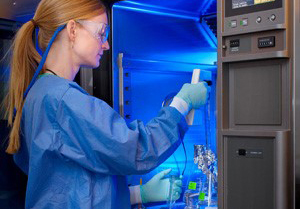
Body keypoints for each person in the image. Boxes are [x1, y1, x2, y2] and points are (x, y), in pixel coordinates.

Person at [4, 0, 208, 208]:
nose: (106, 44)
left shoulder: (40, 92)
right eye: (101, 33)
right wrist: (183, 103)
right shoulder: (64, 100)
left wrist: (140, 194)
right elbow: (138, 149)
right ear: (72, 30)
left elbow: (77, 183)